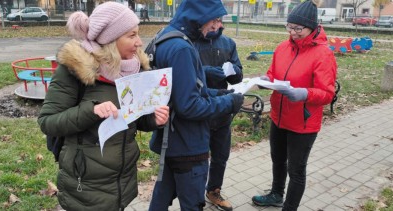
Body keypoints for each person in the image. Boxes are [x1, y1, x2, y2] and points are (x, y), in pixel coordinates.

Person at [37, 2, 169, 210]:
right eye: (131, 35)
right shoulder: (75, 70)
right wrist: (91, 110)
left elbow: (132, 117)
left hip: (121, 182)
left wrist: (153, 119)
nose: (139, 42)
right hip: (85, 186)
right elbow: (48, 122)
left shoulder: (133, 69)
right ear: (110, 39)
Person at [148, 0, 245, 210]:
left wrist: (218, 93)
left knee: (160, 199)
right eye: (215, 19)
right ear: (200, 14)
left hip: (171, 139)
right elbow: (189, 106)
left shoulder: (165, 36)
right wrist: (228, 102)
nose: (218, 26)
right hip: (188, 144)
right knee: (192, 204)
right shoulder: (181, 48)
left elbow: (183, 91)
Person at [251, 0, 337, 210]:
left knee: (296, 170)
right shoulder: (282, 48)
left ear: (313, 28)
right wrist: (266, 80)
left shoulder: (323, 54)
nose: (293, 33)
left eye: (299, 29)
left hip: (303, 122)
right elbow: (274, 74)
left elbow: (327, 93)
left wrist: (303, 93)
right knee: (278, 160)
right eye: (290, 27)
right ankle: (276, 194)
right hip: (279, 116)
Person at [194, 26, 243, 211]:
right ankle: (195, 198)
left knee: (221, 157)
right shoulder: (191, 42)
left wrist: (235, 72)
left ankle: (213, 191)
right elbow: (185, 72)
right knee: (198, 160)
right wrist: (205, 71)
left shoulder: (228, 43)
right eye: (213, 19)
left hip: (223, 112)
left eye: (219, 19)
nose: (216, 24)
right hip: (200, 111)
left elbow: (238, 76)